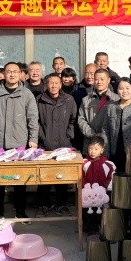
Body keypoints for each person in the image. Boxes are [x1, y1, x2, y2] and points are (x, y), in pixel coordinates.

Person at [0, 62, 39, 222]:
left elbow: (33, 118)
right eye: (9, 72)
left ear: (20, 74)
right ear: (4, 74)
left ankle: (20, 211)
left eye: (15, 72)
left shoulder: (26, 94)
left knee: (20, 179)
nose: (12, 74)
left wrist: (33, 139)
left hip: (19, 142)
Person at [36, 72, 78, 217]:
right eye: (50, 83)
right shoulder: (39, 100)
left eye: (56, 83)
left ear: (60, 85)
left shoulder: (69, 99)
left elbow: (73, 119)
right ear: (46, 85)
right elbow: (36, 121)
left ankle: (62, 204)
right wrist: (42, 137)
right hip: (44, 144)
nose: (53, 86)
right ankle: (43, 204)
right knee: (44, 176)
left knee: (62, 176)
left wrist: (68, 135)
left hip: (63, 143)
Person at [78, 68, 120, 153]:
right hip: (90, 142)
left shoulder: (116, 99)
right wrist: (92, 134)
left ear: (108, 80)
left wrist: (103, 135)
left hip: (109, 142)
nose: (99, 82)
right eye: (96, 79)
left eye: (102, 79)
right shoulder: (86, 100)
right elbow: (81, 119)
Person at [82, 135, 116, 232]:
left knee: (101, 211)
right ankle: (89, 225)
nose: (92, 152)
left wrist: (104, 188)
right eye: (90, 149)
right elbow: (81, 176)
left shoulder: (108, 164)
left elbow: (111, 177)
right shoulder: (84, 163)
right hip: (88, 193)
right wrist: (85, 187)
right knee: (87, 209)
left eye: (96, 149)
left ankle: (101, 225)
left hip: (101, 194)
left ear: (102, 150)